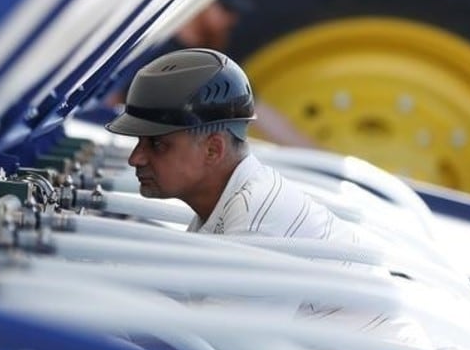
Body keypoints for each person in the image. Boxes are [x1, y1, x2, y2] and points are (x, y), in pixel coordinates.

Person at [105, 48, 358, 241]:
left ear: (213, 149)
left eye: (158, 144)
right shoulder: (230, 205)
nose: (135, 159)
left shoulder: (255, 222)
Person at [107, 0, 317, 149]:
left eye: (234, 13)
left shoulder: (210, 61)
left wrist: (316, 157)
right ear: (204, 4)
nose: (231, 20)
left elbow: (261, 113)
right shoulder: (161, 50)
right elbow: (114, 106)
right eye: (226, 9)